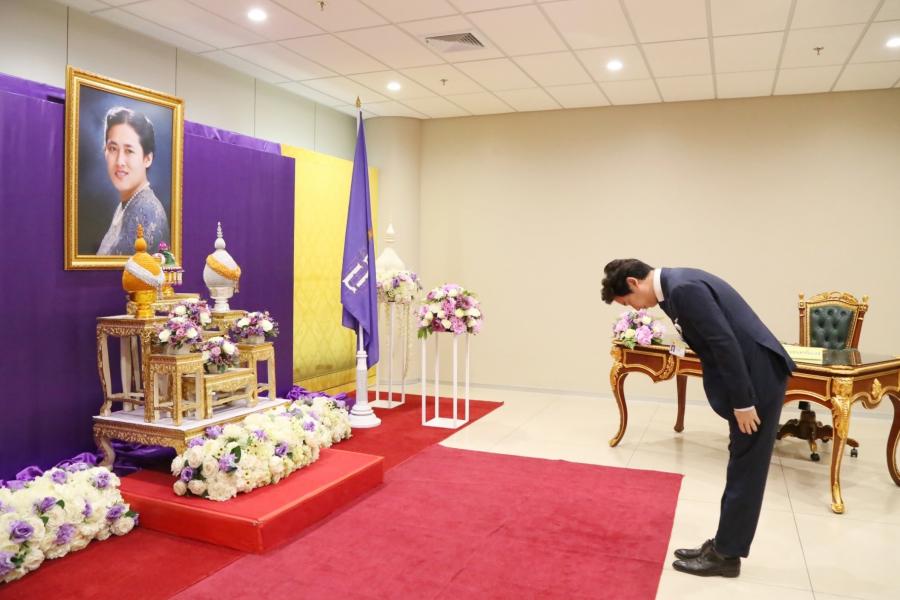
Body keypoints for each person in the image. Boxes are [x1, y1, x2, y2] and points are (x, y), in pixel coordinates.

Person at [601, 259, 795, 578]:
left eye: (627, 301)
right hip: (751, 373)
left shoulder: (682, 288)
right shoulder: (673, 288)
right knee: (741, 460)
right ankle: (723, 544)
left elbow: (723, 342)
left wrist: (743, 402)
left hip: (756, 377)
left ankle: (727, 555)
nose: (635, 309)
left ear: (634, 283)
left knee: (747, 466)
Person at [96, 107, 169, 255]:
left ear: (147, 159)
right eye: (113, 148)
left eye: (129, 151)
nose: (119, 161)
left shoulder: (145, 212)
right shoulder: (128, 204)